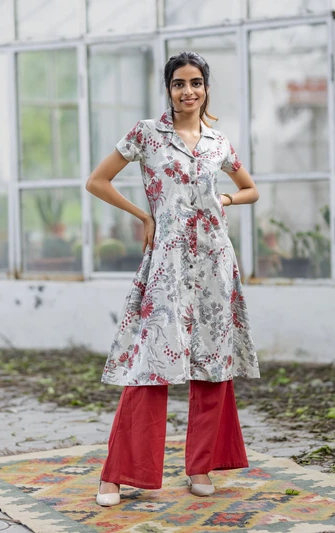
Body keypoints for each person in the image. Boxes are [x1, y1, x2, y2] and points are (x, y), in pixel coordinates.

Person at [85, 51, 260, 507]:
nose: (188, 91)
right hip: (168, 262)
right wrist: (145, 216)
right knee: (150, 366)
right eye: (179, 83)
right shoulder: (147, 133)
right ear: (168, 88)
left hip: (214, 262)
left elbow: (251, 189)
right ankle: (117, 474)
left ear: (206, 88)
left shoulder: (219, 142)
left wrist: (226, 198)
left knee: (214, 363)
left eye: (196, 82)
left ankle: (202, 465)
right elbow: (97, 181)